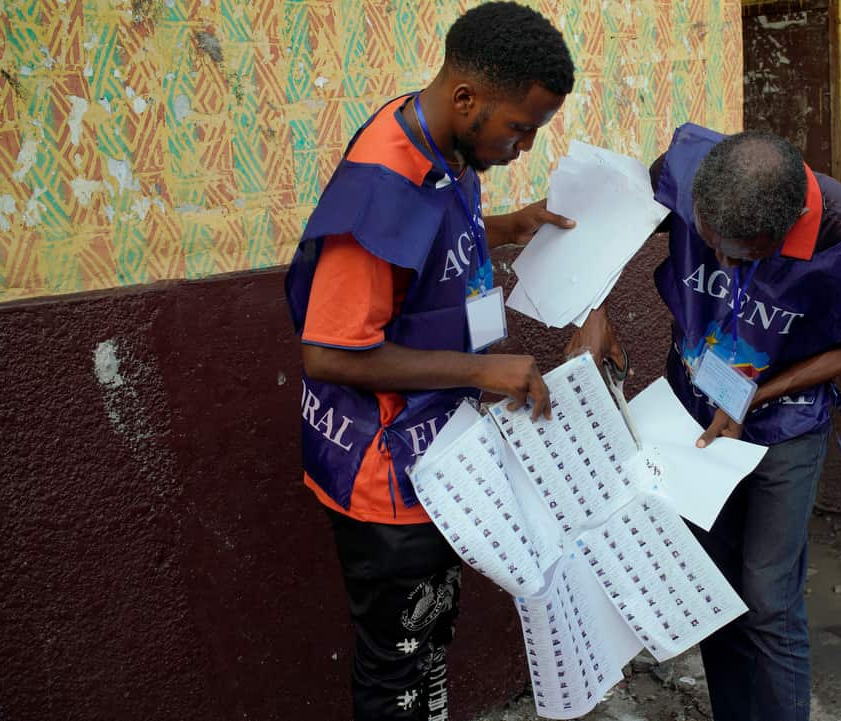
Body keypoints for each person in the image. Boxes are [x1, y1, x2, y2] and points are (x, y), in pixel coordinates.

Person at [574, 126, 841, 721]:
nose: (718, 259)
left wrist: (759, 395)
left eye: (740, 254)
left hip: (784, 429)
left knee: (767, 599)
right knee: (712, 587)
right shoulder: (689, 170)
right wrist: (594, 308)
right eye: (708, 239)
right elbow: (615, 219)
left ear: (785, 230)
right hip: (689, 418)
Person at [283, 4, 575, 718]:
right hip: (386, 472)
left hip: (439, 449)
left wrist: (508, 226)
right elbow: (328, 351)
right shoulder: (382, 182)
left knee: (427, 647)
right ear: (468, 99)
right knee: (399, 672)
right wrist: (481, 371)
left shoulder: (449, 142)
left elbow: (429, 242)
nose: (524, 147)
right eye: (521, 129)